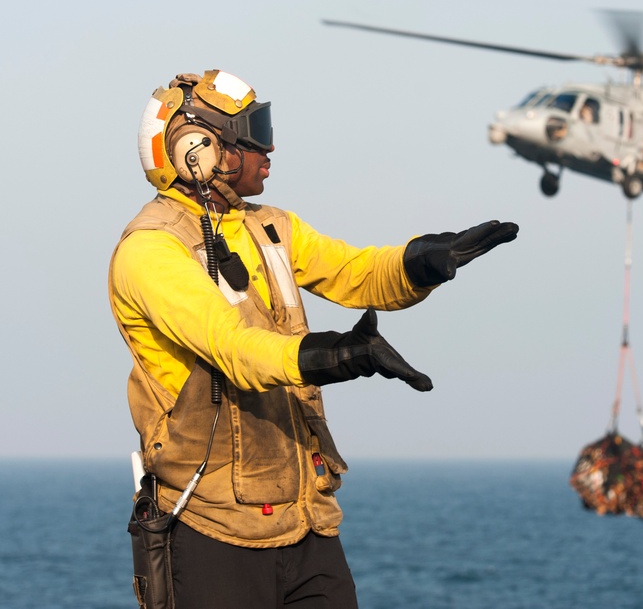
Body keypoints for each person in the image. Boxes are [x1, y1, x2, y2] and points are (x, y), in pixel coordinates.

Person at [110, 69, 518, 609]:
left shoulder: (268, 226)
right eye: (255, 129)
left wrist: (427, 262)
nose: (269, 145)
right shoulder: (150, 251)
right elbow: (235, 349)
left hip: (307, 524)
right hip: (212, 531)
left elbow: (354, 271)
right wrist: (338, 356)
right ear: (200, 148)